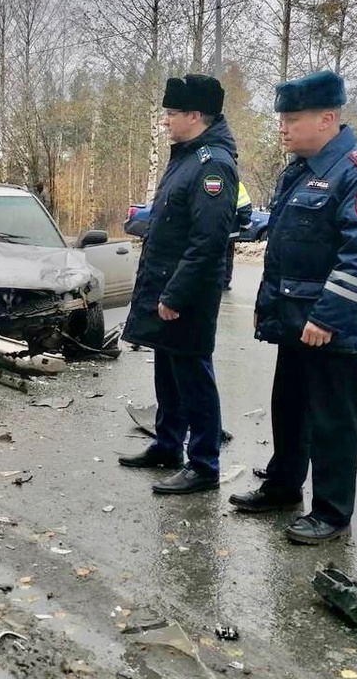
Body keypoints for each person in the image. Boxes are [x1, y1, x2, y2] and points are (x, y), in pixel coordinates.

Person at [229, 71, 357, 545]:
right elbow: (283, 251)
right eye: (281, 118)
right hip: (294, 319)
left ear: (327, 118)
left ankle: (332, 510)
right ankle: (283, 486)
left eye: (292, 118)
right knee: (291, 407)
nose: (282, 127)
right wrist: (268, 307)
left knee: (332, 420)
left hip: (331, 326)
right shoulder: (300, 170)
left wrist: (328, 317)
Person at [118, 74, 239, 495]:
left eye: (171, 113)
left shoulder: (213, 165)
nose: (165, 120)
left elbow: (208, 242)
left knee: (193, 377)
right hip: (166, 286)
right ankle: (168, 445)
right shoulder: (186, 156)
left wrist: (175, 294)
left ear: (195, 115)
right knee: (168, 371)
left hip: (185, 295)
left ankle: (204, 464)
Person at [223, 182, 253, 290]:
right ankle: (224, 281)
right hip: (230, 230)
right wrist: (246, 225)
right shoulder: (236, 183)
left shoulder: (206, 176)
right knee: (227, 256)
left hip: (209, 229)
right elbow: (244, 206)